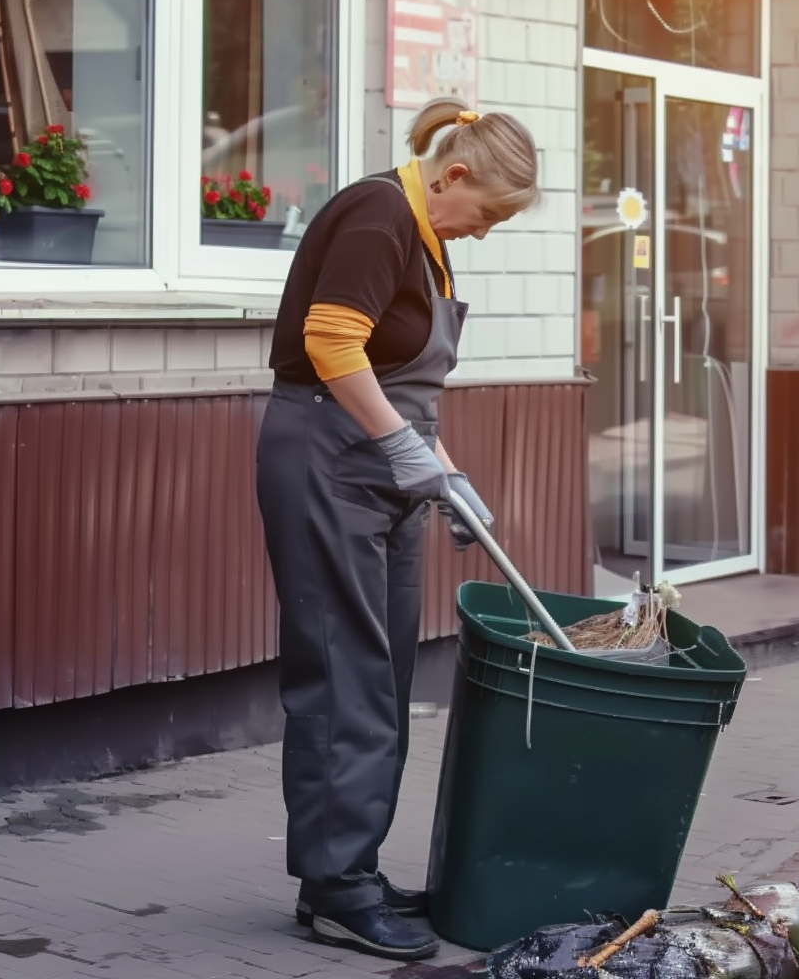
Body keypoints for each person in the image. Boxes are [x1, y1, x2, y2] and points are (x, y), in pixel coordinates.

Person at [256, 96, 540, 962]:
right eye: (486, 213)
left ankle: (350, 870)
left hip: (382, 465)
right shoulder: (380, 214)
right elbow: (334, 345)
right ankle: (337, 883)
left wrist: (442, 470)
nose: (485, 231)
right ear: (453, 175)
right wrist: (404, 452)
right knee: (344, 670)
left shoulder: (429, 239)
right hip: (326, 456)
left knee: (383, 672)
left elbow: (405, 382)